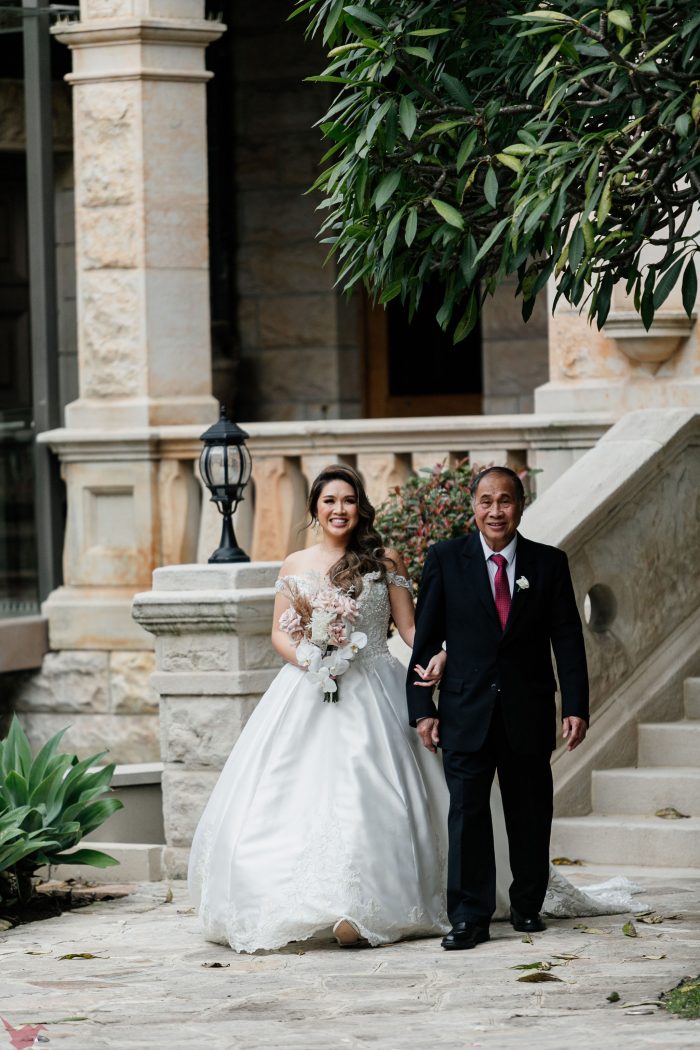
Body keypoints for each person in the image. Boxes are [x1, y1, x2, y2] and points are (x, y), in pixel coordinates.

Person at [188, 464, 451, 951]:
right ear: (314, 508)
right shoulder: (294, 564)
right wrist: (312, 660)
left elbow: (410, 631)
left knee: (372, 792)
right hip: (310, 686)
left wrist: (439, 653)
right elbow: (278, 633)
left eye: (348, 500)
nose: (339, 510)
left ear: (360, 506)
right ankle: (298, 901)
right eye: (329, 501)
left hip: (376, 682)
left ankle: (369, 905)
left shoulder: (384, 560)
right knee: (288, 793)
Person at [407, 466, 590, 951]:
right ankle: (469, 918)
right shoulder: (446, 559)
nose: (495, 511)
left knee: (530, 811)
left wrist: (576, 704)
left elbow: (567, 638)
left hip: (527, 710)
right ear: (473, 506)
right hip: (465, 710)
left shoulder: (549, 563)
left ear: (521, 505)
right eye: (486, 500)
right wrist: (423, 707)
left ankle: (528, 905)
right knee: (467, 815)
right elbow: (426, 639)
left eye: (504, 500)